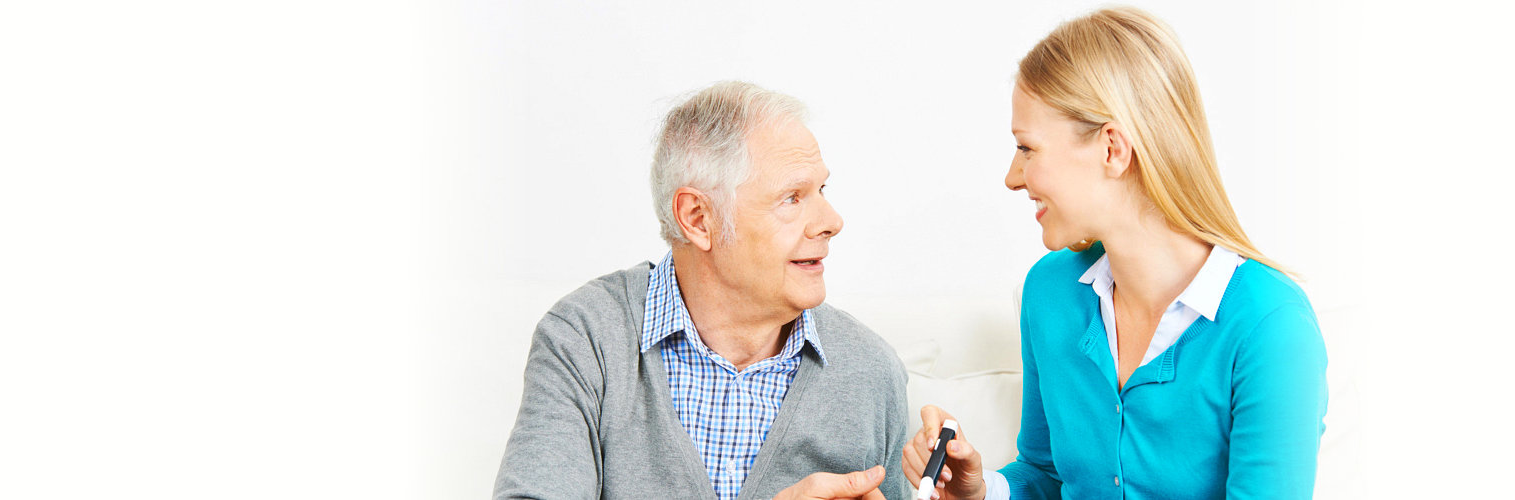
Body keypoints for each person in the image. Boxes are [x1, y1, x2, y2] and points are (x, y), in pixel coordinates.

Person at [901, 8, 1328, 499]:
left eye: (1027, 148)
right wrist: (981, 493)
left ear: (1112, 149)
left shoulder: (1270, 326)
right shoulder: (1050, 292)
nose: (1012, 177)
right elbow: (1048, 474)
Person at [495, 81, 909, 500]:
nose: (832, 221)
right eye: (791, 197)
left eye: (821, 190)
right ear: (697, 218)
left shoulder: (872, 371)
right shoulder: (586, 339)